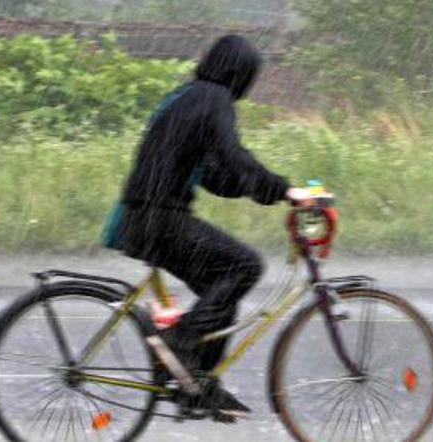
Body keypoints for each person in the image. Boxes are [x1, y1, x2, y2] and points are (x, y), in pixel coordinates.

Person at [102, 34, 308, 419]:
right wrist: (285, 189)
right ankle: (178, 340)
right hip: (158, 217)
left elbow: (216, 174)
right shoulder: (214, 99)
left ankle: (196, 386)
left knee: (221, 295)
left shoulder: (189, 96)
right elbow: (233, 157)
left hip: (144, 216)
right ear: (240, 74)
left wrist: (271, 193)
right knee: (244, 267)